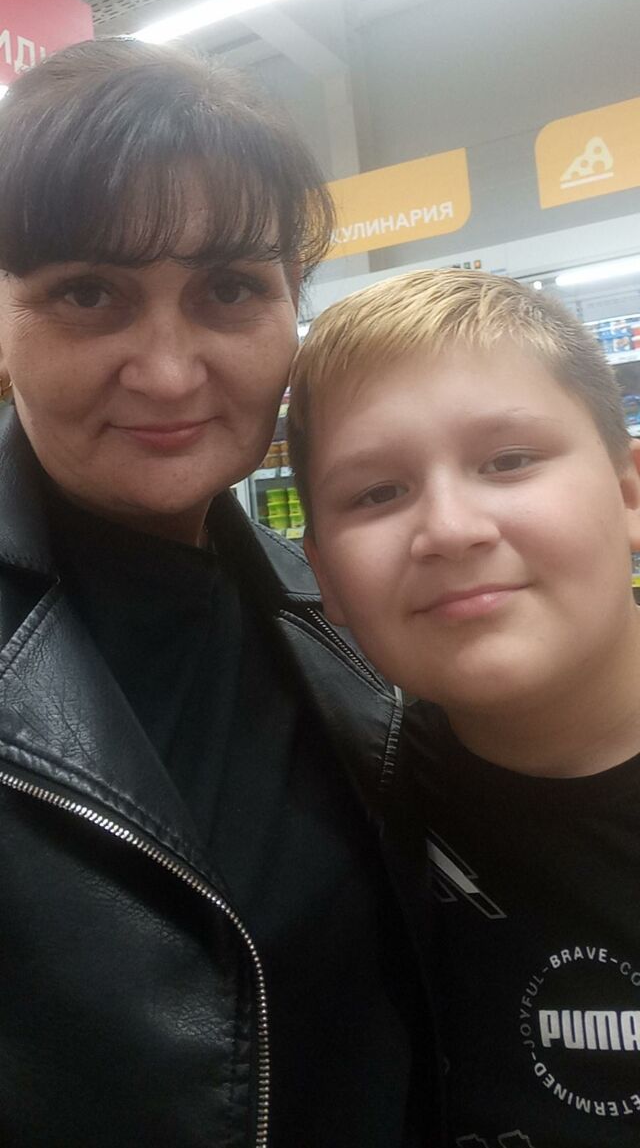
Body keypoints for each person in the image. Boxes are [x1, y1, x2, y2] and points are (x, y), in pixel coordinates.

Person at [0, 39, 431, 1148]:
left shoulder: (343, 619)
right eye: (87, 292)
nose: (168, 370)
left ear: (292, 312)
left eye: (230, 287)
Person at [289, 266, 640, 1147]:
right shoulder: (334, 815)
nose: (450, 528)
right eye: (377, 492)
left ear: (630, 491)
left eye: (508, 460)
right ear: (324, 574)